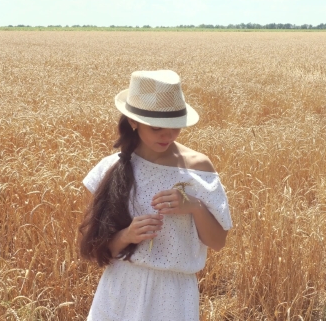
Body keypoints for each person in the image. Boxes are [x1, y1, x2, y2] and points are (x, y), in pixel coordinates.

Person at [80, 70, 232, 321]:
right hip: (120, 289)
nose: (167, 136)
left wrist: (194, 206)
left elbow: (218, 242)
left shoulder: (199, 168)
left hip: (174, 296)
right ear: (133, 122)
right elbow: (97, 247)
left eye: (174, 127)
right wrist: (127, 235)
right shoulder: (112, 168)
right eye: (157, 128)